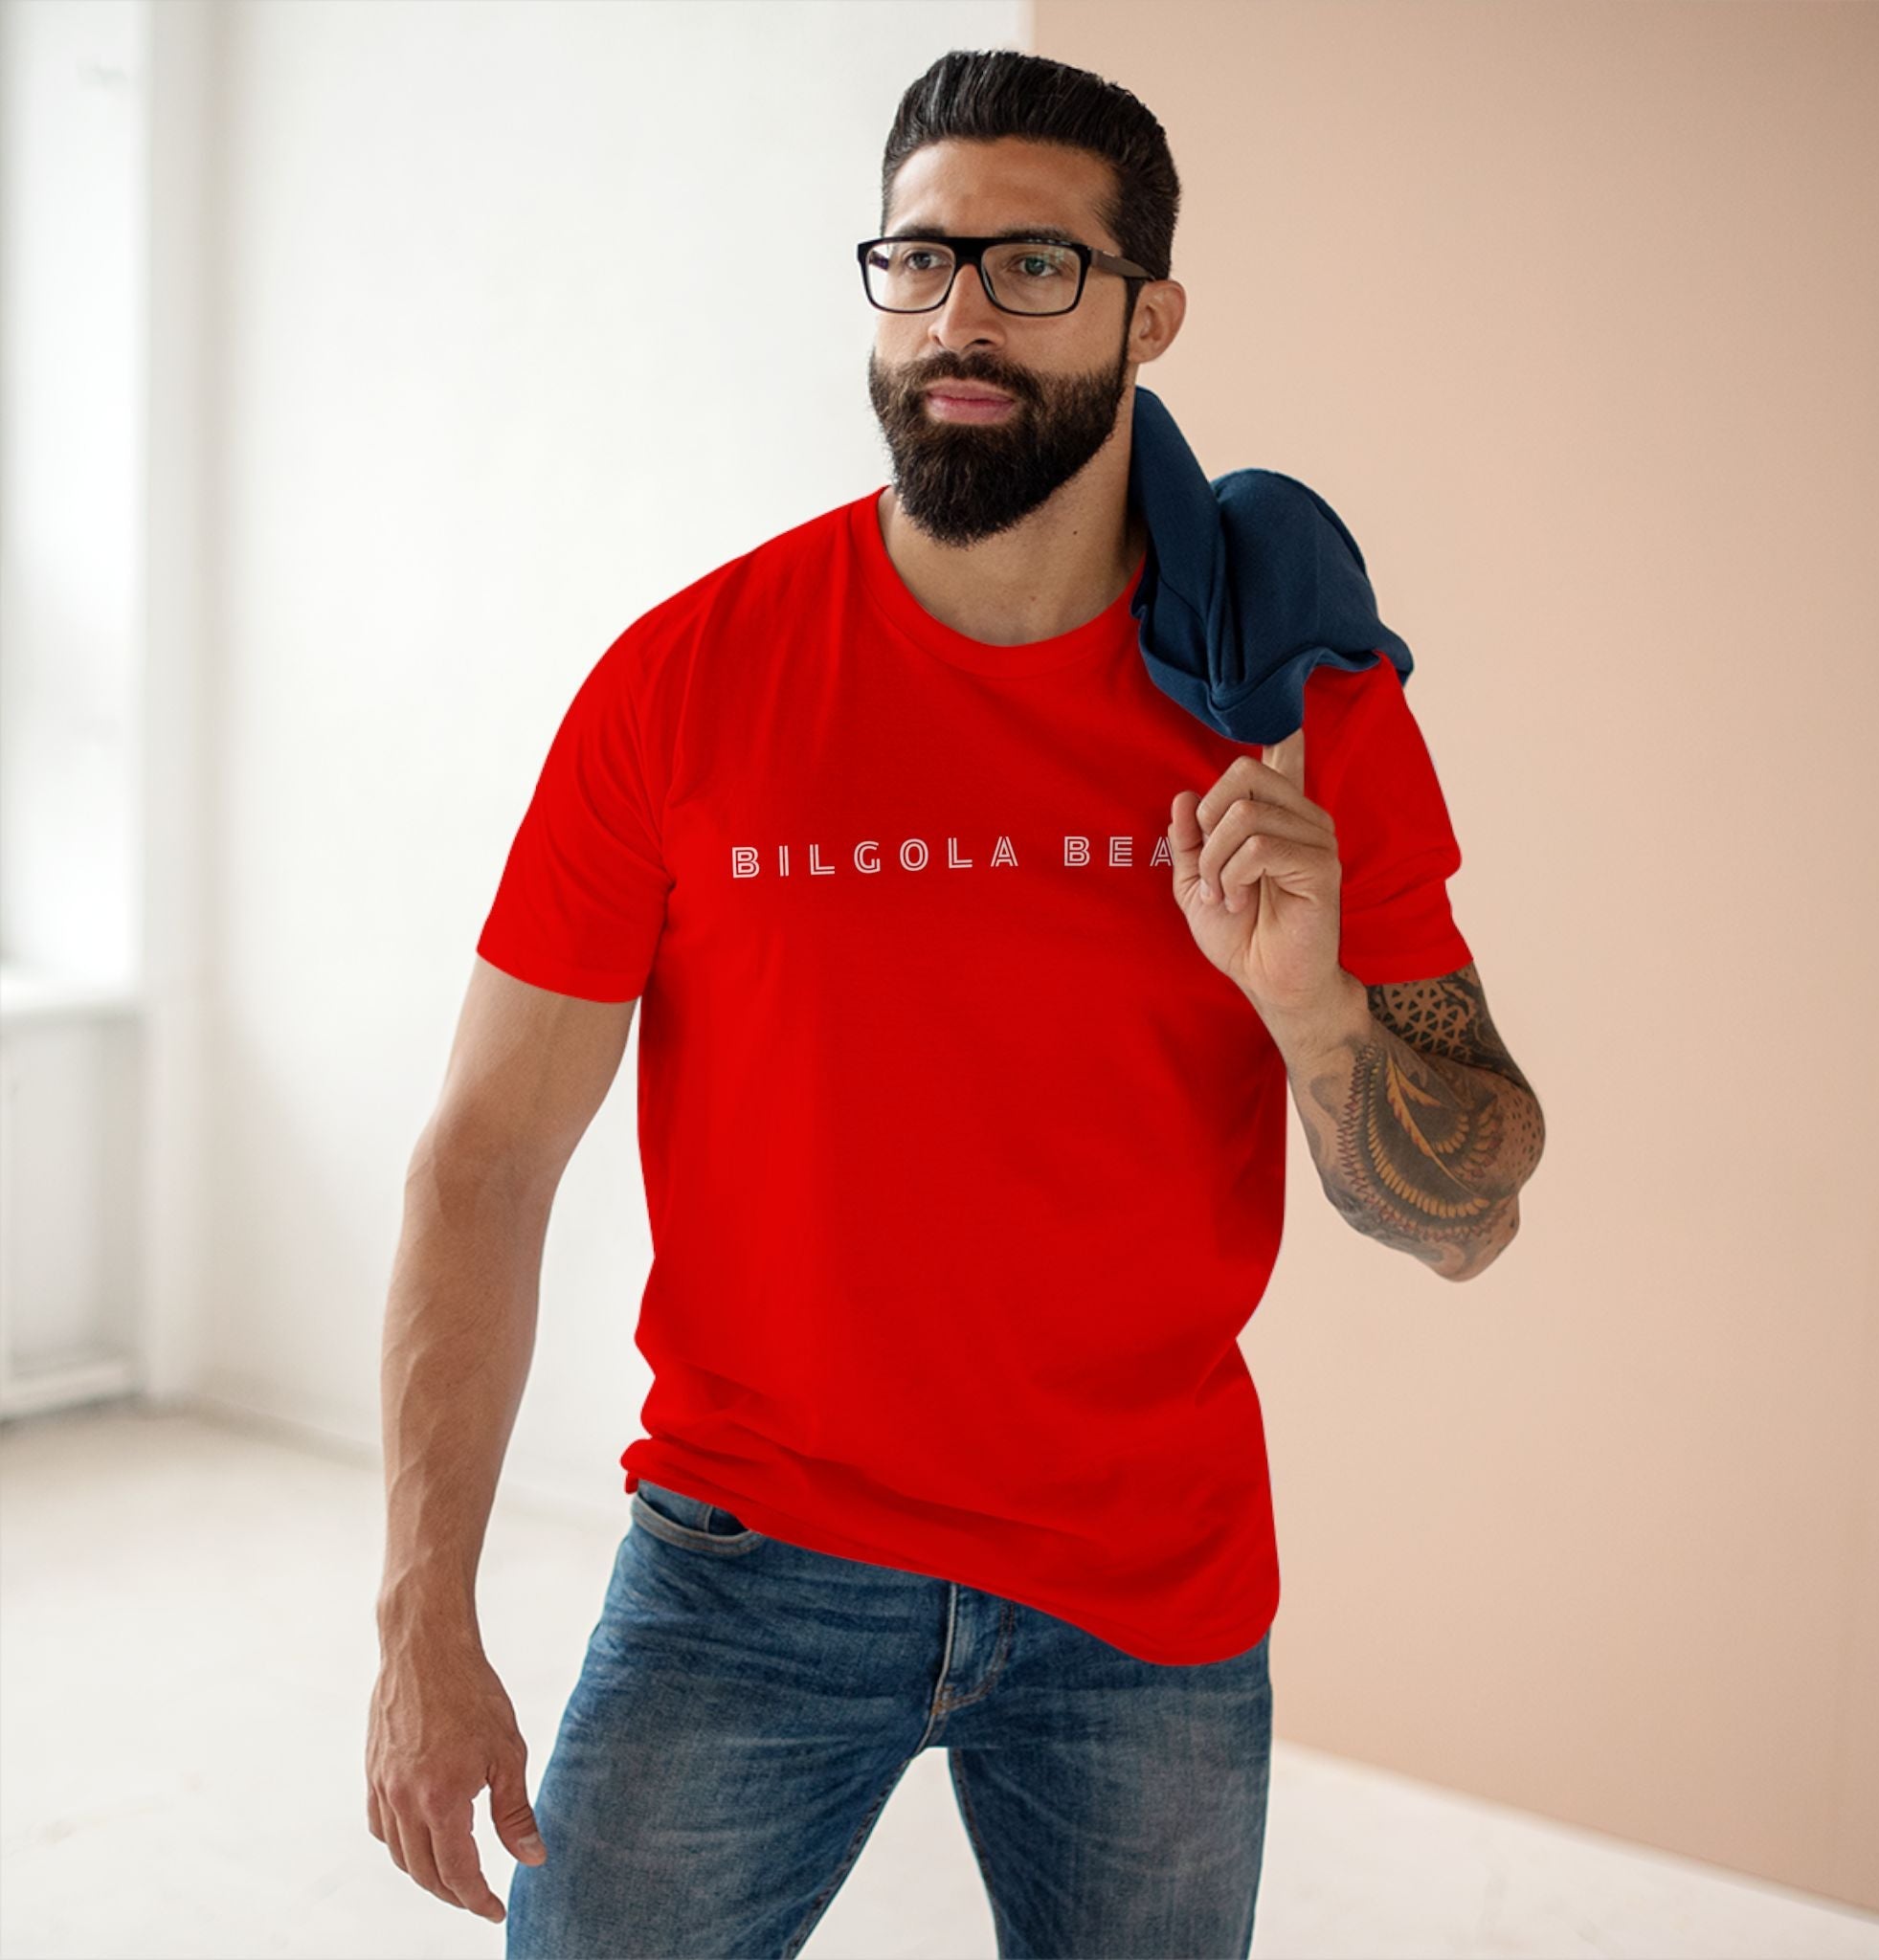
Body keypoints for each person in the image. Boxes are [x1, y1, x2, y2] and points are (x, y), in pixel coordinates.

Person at [365, 45, 1544, 1960]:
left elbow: (1470, 1210)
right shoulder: (687, 685)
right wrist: (422, 1623)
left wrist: (1312, 1005)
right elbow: (484, 1160)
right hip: (749, 1563)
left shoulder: (1292, 711)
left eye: (1033, 266)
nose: (958, 316)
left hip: (1141, 1595)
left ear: (1151, 315)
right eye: (917, 260)